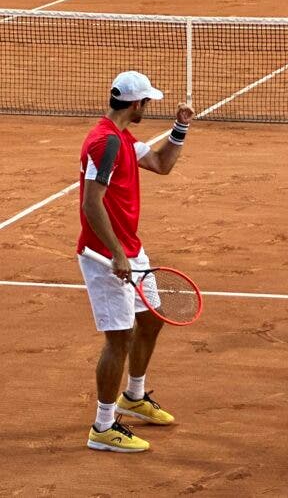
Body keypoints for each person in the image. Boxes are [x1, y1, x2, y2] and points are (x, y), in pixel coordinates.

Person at [77, 71, 195, 452]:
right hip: (105, 255)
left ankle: (134, 395)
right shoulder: (105, 144)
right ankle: (103, 426)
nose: (148, 107)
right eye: (147, 102)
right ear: (135, 104)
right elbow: (90, 203)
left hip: (129, 247)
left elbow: (162, 164)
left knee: (150, 320)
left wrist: (180, 127)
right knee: (118, 339)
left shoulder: (123, 138)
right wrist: (114, 253)